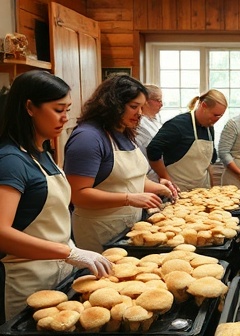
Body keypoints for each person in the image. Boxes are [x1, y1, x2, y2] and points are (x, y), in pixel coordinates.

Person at [0, 71, 111, 323]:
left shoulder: (42, 152)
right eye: (58, 109)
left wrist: (72, 251)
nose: (65, 118)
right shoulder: (10, 161)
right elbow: (1, 232)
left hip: (56, 274)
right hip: (24, 278)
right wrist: (68, 253)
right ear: (29, 107)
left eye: (67, 109)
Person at [64, 74, 176, 253]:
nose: (139, 113)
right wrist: (129, 198)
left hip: (126, 228)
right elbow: (78, 195)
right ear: (113, 104)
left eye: (141, 107)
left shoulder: (123, 132)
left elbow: (126, 178)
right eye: (133, 107)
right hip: (100, 229)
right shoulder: (88, 138)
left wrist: (157, 187)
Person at [147, 89, 227, 191]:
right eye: (215, 115)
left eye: (221, 116)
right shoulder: (177, 125)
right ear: (203, 106)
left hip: (202, 189)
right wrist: (167, 179)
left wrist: (213, 189)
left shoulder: (209, 128)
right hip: (178, 189)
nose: (217, 119)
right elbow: (153, 150)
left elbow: (209, 163)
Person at [136, 84, 163, 182]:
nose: (161, 104)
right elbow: (150, 150)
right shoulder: (140, 123)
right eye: (158, 100)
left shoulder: (155, 122)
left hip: (160, 174)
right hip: (149, 176)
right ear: (146, 101)